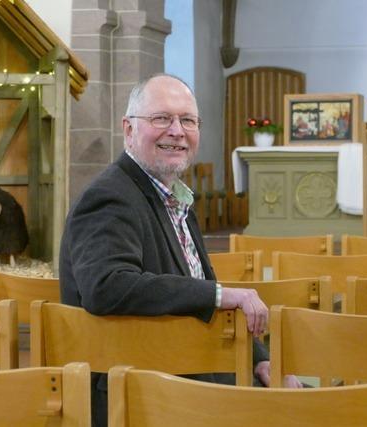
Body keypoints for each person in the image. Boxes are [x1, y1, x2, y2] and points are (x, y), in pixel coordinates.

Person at [59, 73, 302, 426]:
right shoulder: (110, 196)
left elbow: (197, 286)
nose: (177, 130)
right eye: (161, 118)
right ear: (128, 129)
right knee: (312, 411)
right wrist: (219, 295)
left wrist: (259, 359)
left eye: (187, 120)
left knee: (315, 400)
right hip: (138, 386)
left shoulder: (173, 198)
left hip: (186, 367)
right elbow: (106, 286)